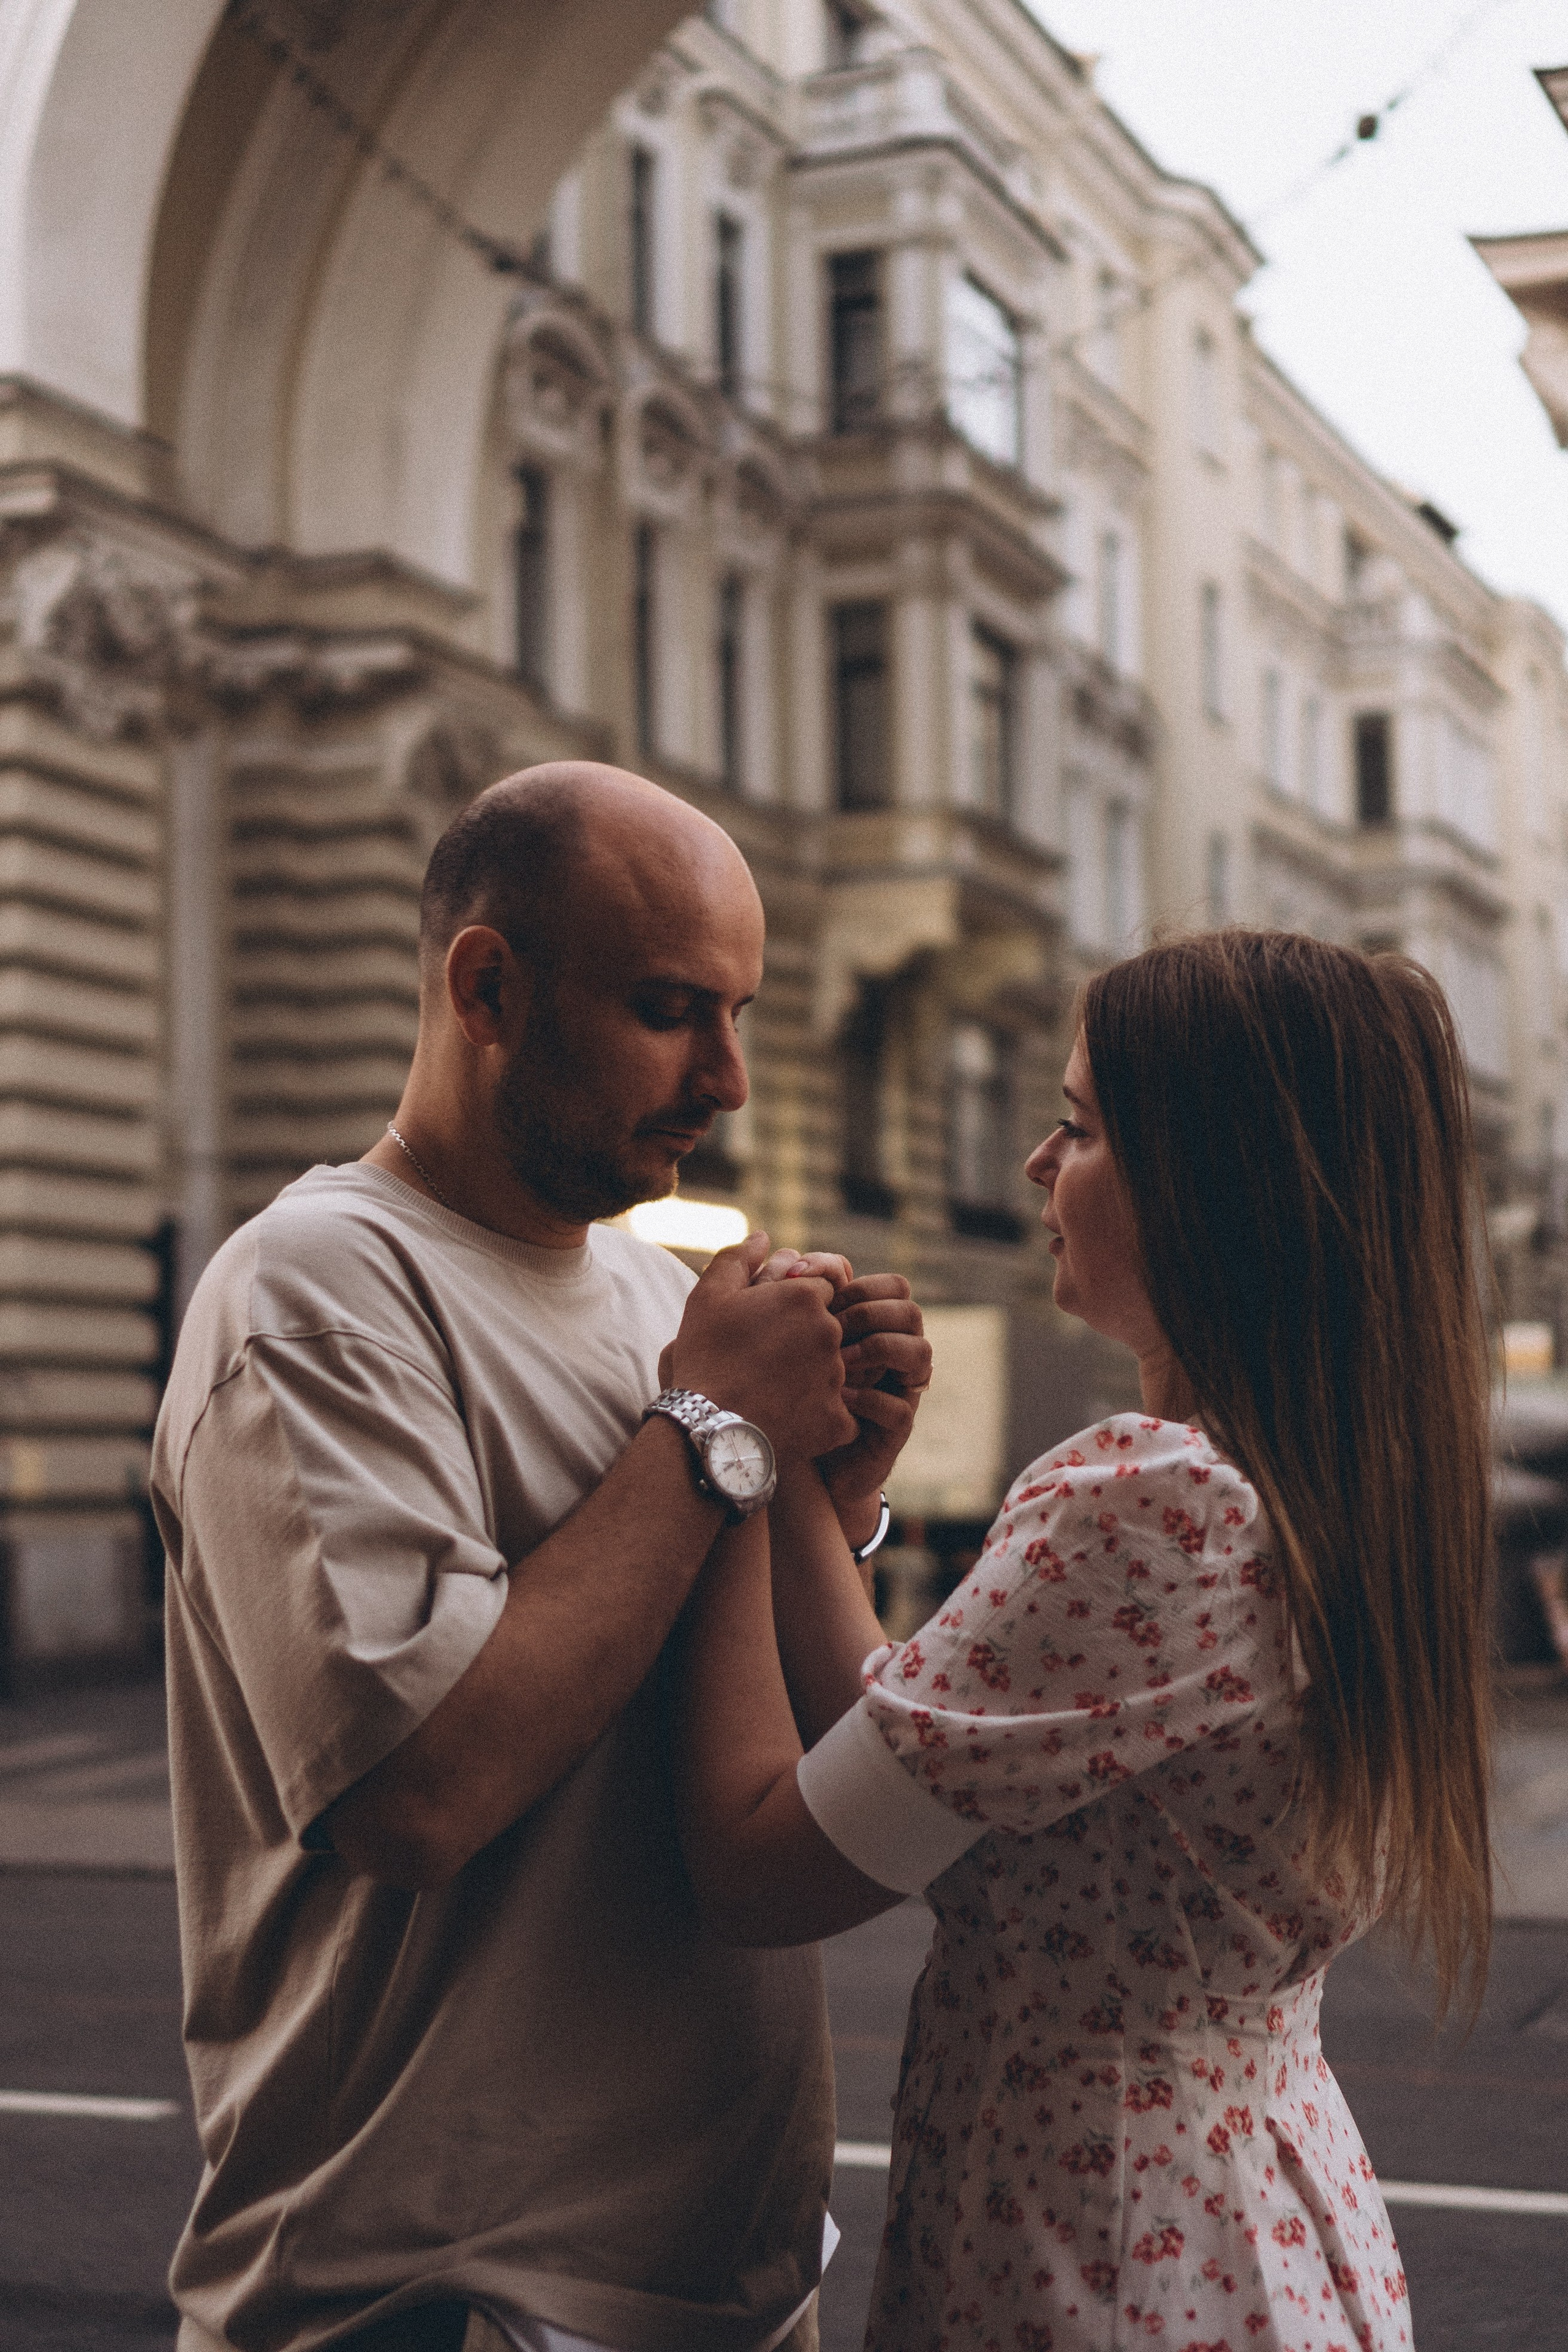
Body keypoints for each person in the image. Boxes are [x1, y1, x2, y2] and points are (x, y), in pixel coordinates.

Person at [151, 763, 931, 2352]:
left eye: (741, 1013)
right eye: (668, 1008)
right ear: (486, 986)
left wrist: (830, 1499)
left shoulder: (663, 1306)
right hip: (441, 2300)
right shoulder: (314, 1289)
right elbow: (417, 1793)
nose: (726, 1077)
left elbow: (785, 1771)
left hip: (725, 2286)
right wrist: (715, 1431)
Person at [676, 930, 1494, 2352]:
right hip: (1256, 2231)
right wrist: (810, 1486)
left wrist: (715, 1436)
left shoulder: (1149, 1500)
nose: (1036, 1169)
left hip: (1104, 2251)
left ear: (1220, 1179)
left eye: (1080, 1126)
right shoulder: (1319, 1488)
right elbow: (903, 1754)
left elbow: (759, 1866)